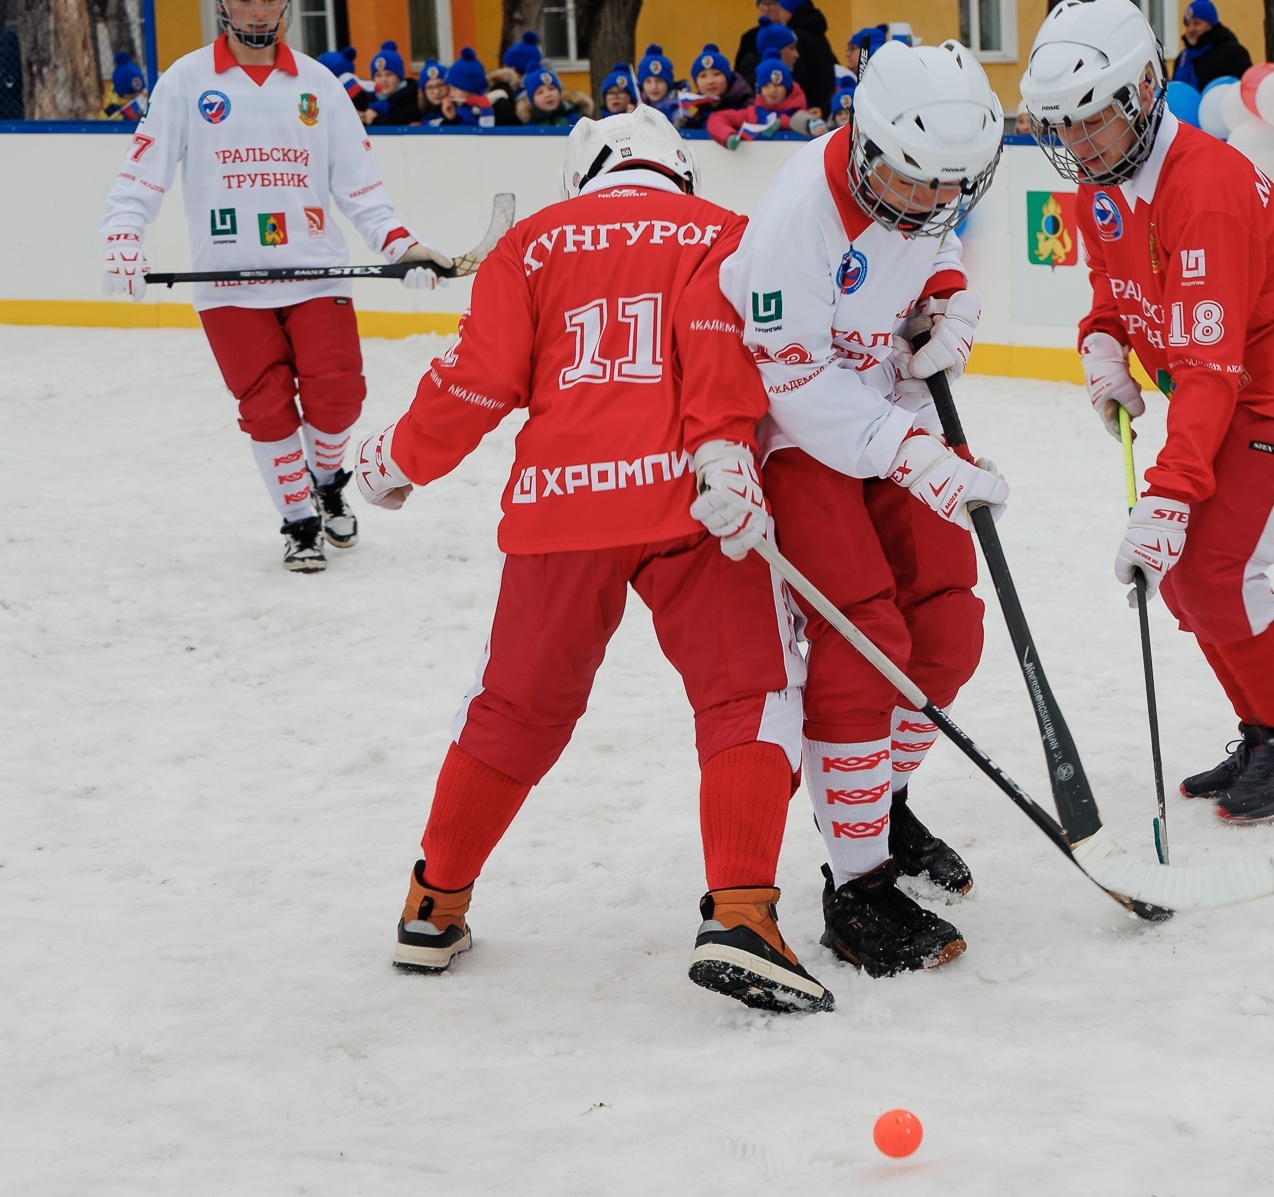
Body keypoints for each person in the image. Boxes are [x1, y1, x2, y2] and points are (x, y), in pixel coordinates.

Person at [356, 107, 830, 1014]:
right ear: (681, 169)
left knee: (516, 707)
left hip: (558, 509)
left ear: (584, 174)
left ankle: (434, 901)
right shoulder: (722, 233)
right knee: (747, 693)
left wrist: (396, 461)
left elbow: (474, 379)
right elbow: (757, 353)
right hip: (695, 499)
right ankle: (741, 912)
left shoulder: (530, 243)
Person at [1019, 0, 1274, 821]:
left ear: (1144, 88)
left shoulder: (1201, 188)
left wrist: (1168, 497)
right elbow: (1114, 285)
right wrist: (1100, 343)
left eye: (1093, 120)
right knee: (1184, 577)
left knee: (1213, 567)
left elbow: (1209, 367)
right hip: (1219, 378)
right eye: (1061, 127)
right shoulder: (1101, 184)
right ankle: (1268, 732)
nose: (1078, 144)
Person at [719, 39, 1007, 977]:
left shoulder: (922, 181)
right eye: (918, 183)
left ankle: (879, 800)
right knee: (864, 634)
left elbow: (935, 245)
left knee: (950, 629)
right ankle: (858, 885)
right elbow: (792, 382)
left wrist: (946, 295)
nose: (934, 202)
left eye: (950, 187)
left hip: (891, 408)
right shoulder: (795, 222)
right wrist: (916, 459)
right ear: (865, 140)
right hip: (803, 439)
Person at [98, 0, 450, 571]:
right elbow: (142, 173)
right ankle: (299, 520)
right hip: (229, 287)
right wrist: (123, 233)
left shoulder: (318, 84)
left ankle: (328, 479)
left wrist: (402, 247)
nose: (257, 9)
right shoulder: (185, 80)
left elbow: (362, 190)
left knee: (338, 398)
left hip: (316, 273)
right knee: (266, 408)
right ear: (222, 5)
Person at [735, 1, 836, 122]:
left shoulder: (792, 84)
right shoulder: (748, 81)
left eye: (773, 5)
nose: (797, 55)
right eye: (791, 48)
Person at [707, 52, 817, 147]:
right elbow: (716, 119)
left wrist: (782, 122)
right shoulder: (752, 114)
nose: (772, 90)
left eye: (778, 85)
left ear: (788, 88)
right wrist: (728, 136)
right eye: (766, 86)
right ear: (759, 89)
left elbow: (813, 127)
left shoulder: (800, 114)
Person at [1169, 0, 1252, 92]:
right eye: (1187, 24)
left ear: (1211, 24)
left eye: (1197, 23)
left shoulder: (1233, 53)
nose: (1190, 29)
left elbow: (1245, 90)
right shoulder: (1183, 59)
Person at [678, 43, 751, 130]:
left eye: (717, 74)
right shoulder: (699, 117)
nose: (710, 81)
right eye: (703, 76)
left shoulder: (747, 108)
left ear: (728, 79)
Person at [363, 41, 421, 126]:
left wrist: (376, 120)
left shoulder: (411, 104)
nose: (383, 80)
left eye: (389, 74)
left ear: (399, 77)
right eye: (378, 75)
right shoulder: (366, 103)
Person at [440, 46, 497, 126]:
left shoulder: (496, 107)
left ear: (470, 88)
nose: (451, 94)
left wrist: (486, 112)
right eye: (450, 89)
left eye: (454, 89)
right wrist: (452, 119)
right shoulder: (460, 110)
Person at [514, 66, 589, 125]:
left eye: (551, 89)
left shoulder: (577, 120)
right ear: (532, 100)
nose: (548, 94)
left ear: (560, 93)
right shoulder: (530, 126)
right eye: (540, 92)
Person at [636, 44, 680, 121]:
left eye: (659, 81)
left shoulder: (678, 109)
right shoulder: (636, 107)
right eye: (648, 81)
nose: (654, 87)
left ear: (668, 84)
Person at [102, 51, 148, 120]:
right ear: (121, 93)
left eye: (139, 92)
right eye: (131, 94)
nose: (136, 97)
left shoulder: (146, 97)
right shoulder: (110, 111)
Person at [418, 58, 450, 123]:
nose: (436, 91)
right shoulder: (416, 116)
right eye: (430, 87)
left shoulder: (461, 113)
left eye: (440, 85)